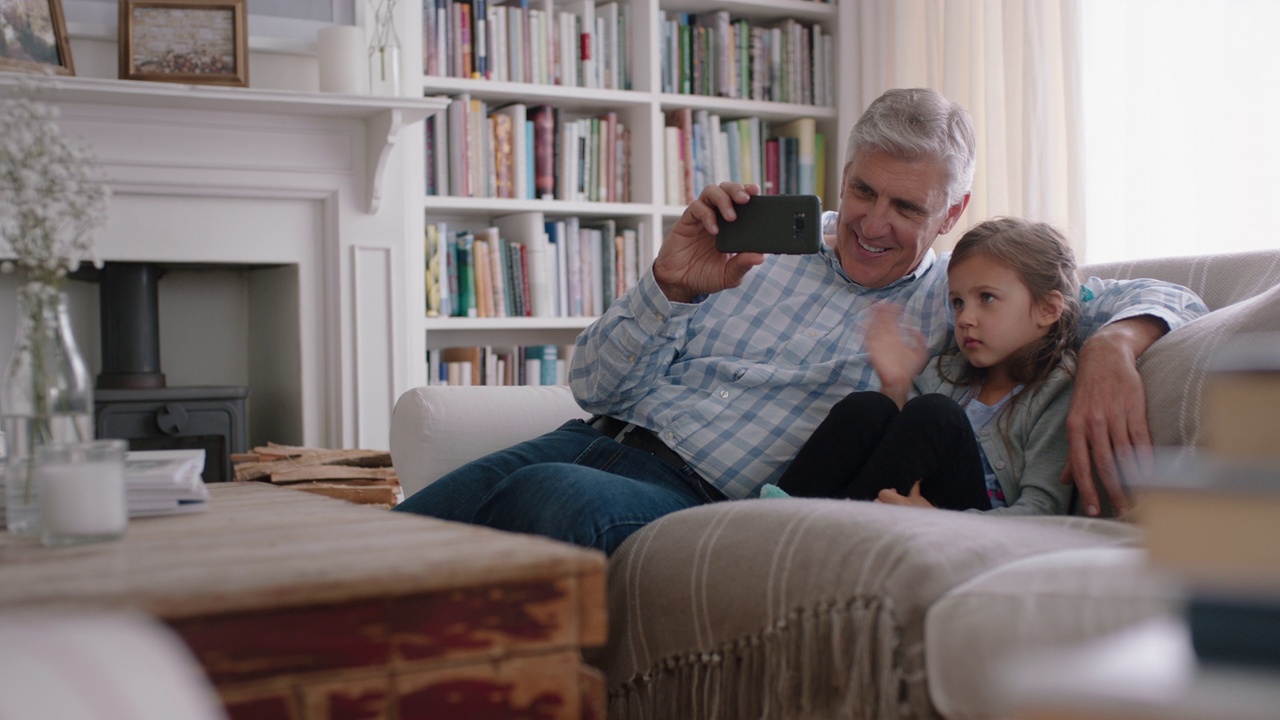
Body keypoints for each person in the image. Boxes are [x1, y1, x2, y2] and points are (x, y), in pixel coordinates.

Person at [394, 88, 1207, 554]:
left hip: (707, 499)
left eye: (905, 206)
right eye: (862, 192)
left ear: (953, 209)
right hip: (596, 436)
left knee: (543, 498)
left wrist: (1115, 344)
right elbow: (592, 384)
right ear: (839, 174)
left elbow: (1159, 295)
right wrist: (672, 287)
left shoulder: (965, 301)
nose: (872, 223)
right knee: (391, 542)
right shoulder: (755, 249)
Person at [766, 217, 1081, 515]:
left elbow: (1041, 510)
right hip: (900, 506)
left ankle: (820, 530)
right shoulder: (949, 371)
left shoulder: (1057, 391)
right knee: (867, 407)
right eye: (957, 302)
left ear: (1048, 308)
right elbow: (895, 453)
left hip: (975, 529)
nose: (965, 318)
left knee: (938, 415)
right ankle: (773, 517)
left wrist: (945, 520)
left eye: (986, 298)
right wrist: (896, 386)